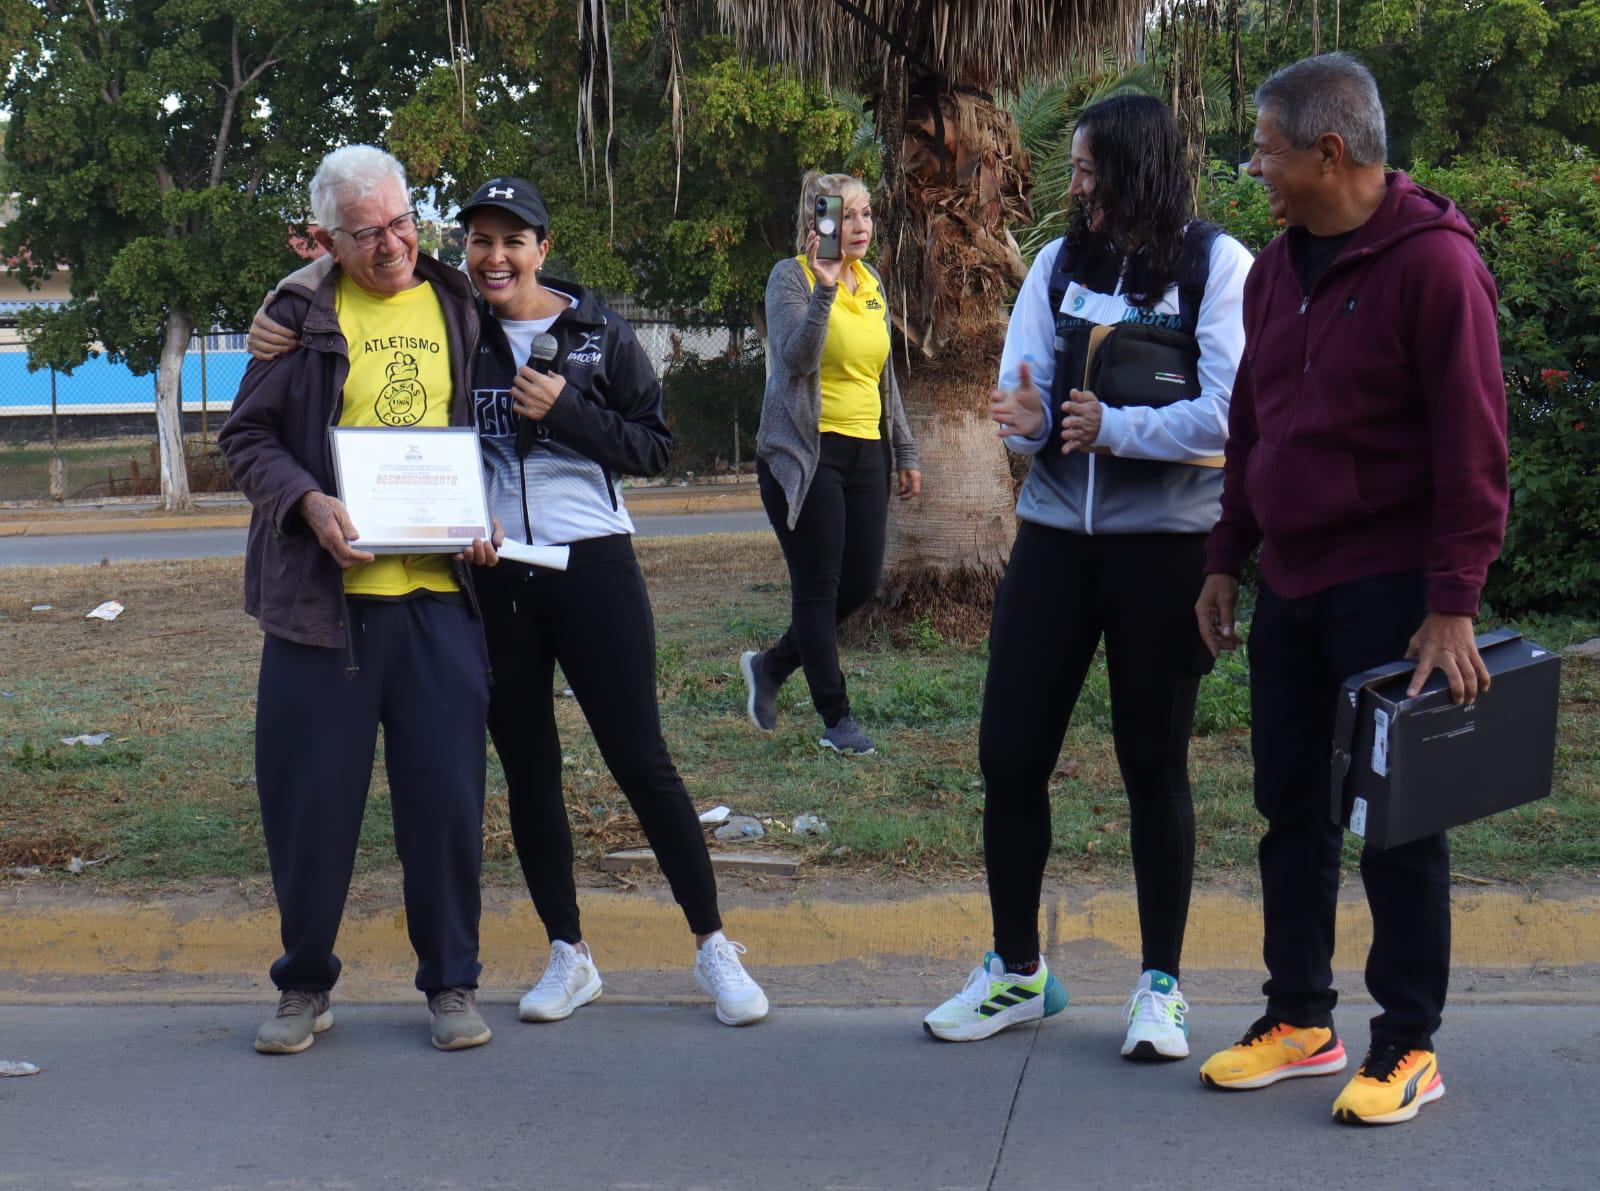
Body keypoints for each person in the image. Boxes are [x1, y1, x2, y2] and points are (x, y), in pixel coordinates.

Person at [247, 176, 769, 1027]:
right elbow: (343, 275)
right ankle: (569, 953)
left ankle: (713, 945)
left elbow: (655, 447)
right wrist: (284, 294)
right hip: (492, 573)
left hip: (592, 562)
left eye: (512, 240)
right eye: (479, 240)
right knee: (529, 767)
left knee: (641, 759)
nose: (494, 257)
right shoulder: (464, 323)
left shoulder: (600, 332)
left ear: (542, 246)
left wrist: (568, 410)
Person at [1194, 53, 1508, 1126]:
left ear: (1329, 151)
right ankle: (1300, 1019)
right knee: (1290, 808)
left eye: (1266, 149)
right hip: (1294, 584)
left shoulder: (1433, 266)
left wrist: (1453, 599)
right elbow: (1251, 426)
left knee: (1398, 826)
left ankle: (1408, 1044)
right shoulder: (1275, 269)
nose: (1254, 169)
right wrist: (1225, 554)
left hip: (1393, 595)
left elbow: (1474, 443)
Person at [921, 96, 1254, 1056]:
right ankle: (1018, 972)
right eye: (1074, 169)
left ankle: (1160, 986)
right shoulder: (1059, 265)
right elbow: (1024, 387)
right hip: (1056, 541)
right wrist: (1020, 416)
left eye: (1089, 169)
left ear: (1137, 168)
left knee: (1155, 766)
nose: (1075, 186)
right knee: (1009, 756)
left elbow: (1233, 414)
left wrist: (1121, 430)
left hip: (1166, 552)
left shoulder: (1215, 267)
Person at [219, 145, 500, 1055]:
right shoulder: (298, 312)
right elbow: (245, 437)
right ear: (329, 240)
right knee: (310, 807)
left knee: (447, 803)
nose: (393, 246)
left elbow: (538, 298)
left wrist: (482, 513)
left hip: (437, 603)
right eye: (369, 232)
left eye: (404, 223)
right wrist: (306, 500)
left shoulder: (458, 300)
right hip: (319, 612)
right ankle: (304, 985)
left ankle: (451, 984)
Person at [739, 170, 921, 757]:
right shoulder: (788, 279)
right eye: (846, 216)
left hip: (867, 448)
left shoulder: (872, 283)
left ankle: (771, 666)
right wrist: (822, 289)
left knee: (861, 581)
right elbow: (795, 359)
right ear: (819, 220)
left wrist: (906, 450)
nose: (860, 227)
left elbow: (883, 376)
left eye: (866, 214)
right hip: (804, 451)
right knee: (817, 586)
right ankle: (836, 719)